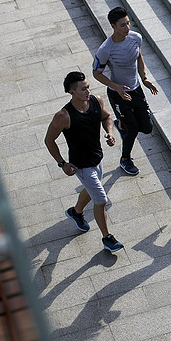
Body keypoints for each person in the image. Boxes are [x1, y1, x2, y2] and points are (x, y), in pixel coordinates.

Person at [44, 71, 124, 252]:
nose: (87, 91)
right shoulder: (63, 116)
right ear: (71, 92)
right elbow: (49, 140)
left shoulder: (96, 101)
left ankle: (76, 212)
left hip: (97, 158)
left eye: (87, 86)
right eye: (83, 89)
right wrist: (62, 163)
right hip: (81, 166)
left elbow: (107, 117)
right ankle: (107, 238)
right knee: (101, 199)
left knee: (90, 191)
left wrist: (110, 133)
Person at [92, 6, 158, 176]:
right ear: (113, 26)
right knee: (133, 129)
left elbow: (139, 56)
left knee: (147, 128)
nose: (127, 28)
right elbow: (96, 73)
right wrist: (116, 87)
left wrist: (144, 78)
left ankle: (121, 125)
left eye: (128, 23)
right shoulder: (106, 49)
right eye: (122, 25)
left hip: (136, 89)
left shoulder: (136, 38)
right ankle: (125, 159)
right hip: (118, 94)